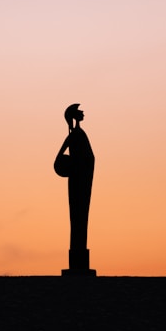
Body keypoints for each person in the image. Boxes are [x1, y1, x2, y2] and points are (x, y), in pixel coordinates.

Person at [55, 103, 94, 270]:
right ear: (74, 116)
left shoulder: (79, 134)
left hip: (83, 179)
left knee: (81, 216)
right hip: (78, 180)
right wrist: (72, 165)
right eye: (79, 111)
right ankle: (77, 253)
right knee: (77, 216)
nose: (83, 112)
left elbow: (89, 157)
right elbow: (58, 160)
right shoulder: (75, 135)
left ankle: (80, 249)